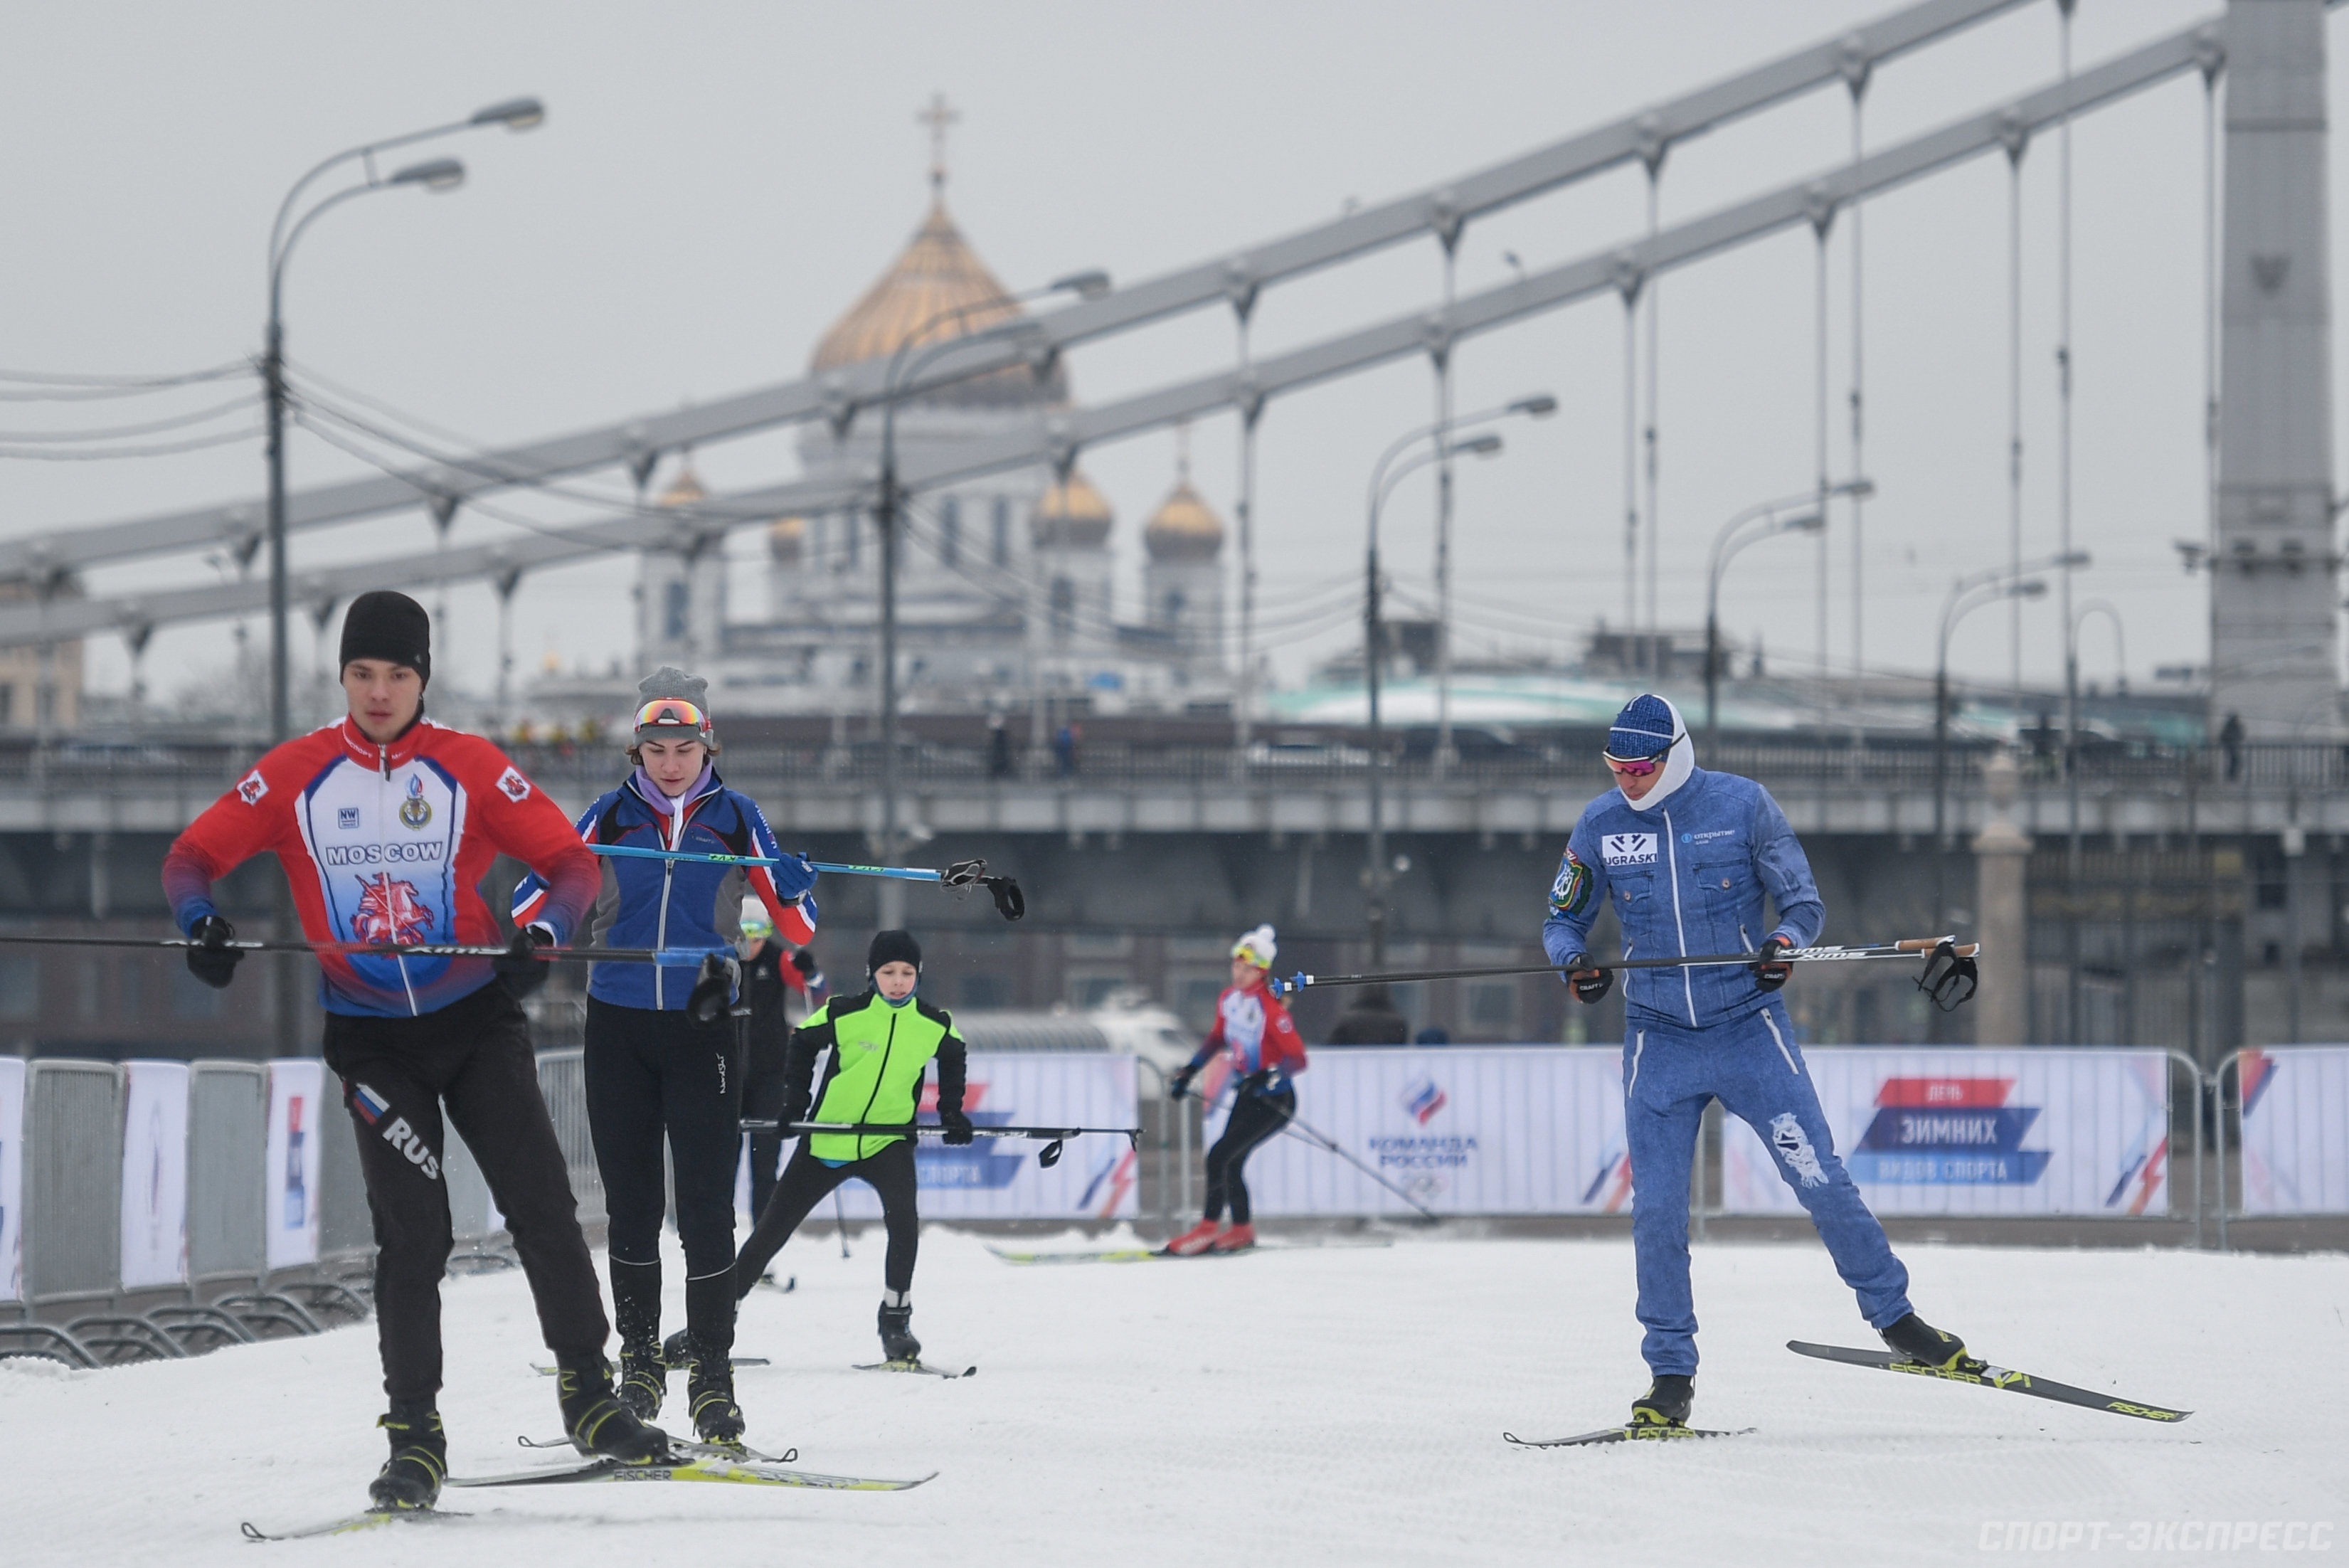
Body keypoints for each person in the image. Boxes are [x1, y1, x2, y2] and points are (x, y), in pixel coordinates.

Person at [160, 590, 667, 1513]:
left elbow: (570, 866)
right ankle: (415, 1437)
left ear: (422, 678)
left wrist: (540, 940)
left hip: (474, 1023)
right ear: (343, 677)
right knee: (414, 1237)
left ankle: (590, 1399)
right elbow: (188, 860)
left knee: (543, 1209)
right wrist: (201, 924)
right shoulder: (296, 773)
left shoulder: (467, 766)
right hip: (371, 1045)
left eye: (397, 674)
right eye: (362, 673)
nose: (380, 691)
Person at [1542, 693, 1969, 1433]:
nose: (1627, 782)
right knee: (1656, 1212)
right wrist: (1572, 963)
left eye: (1640, 768)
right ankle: (1668, 1374)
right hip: (1657, 1040)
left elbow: (1802, 903)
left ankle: (1896, 1318)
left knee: (1819, 1176)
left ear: (1672, 755)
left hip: (1746, 1028)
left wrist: (1784, 946)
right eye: (1615, 768)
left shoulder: (1742, 805)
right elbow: (1560, 917)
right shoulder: (1600, 824)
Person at [511, 668, 817, 1446]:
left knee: (707, 1205)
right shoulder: (608, 813)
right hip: (616, 1017)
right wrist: (549, 906)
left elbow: (802, 927)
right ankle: (640, 1358)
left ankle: (712, 1374)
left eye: (684, 747)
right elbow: (533, 901)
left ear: (707, 744)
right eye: (656, 748)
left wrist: (790, 886)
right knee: (632, 1201)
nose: (670, 762)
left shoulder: (737, 816)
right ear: (636, 749)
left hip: (702, 1021)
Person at [732, 929, 970, 1365]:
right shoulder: (846, 1013)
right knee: (772, 1229)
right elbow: (801, 1044)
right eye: (888, 972)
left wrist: (952, 1112)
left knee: (904, 1225)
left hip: (888, 1140)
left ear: (918, 976)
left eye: (907, 973)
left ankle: (896, 1319)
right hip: (829, 1140)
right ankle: (715, 1319)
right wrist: (795, 1104)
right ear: (871, 974)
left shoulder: (933, 1022)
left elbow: (954, 1055)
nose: (898, 981)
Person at [1164, 925, 1308, 1255]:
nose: (1240, 974)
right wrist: (1189, 1071)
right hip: (1248, 1095)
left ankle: (1207, 1229)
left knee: (1219, 1157)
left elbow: (1297, 1059)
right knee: (1230, 1161)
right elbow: (1217, 1038)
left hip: (1276, 1100)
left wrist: (1268, 1075)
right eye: (1237, 966)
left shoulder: (1270, 1009)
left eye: (1249, 969)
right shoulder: (1229, 1000)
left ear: (1262, 971)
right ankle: (1241, 1229)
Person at [737, 893, 825, 1228]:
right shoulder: (720, 959)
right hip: (725, 1074)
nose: (751, 943)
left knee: (765, 1164)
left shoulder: (777, 959)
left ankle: (762, 1241)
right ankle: (720, 1247)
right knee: (722, 1165)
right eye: (744, 935)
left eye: (758, 935)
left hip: (769, 1075)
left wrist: (811, 971)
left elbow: (818, 993)